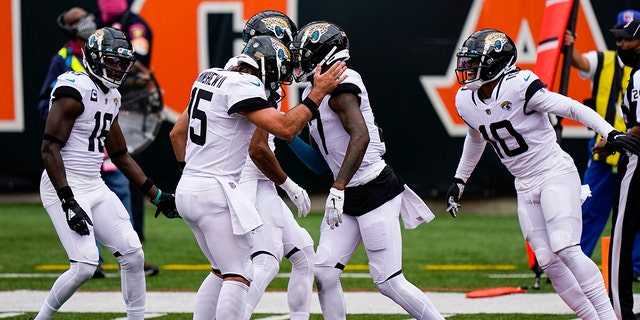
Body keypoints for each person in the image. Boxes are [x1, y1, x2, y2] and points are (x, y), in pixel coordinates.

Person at [447, 28, 640, 319]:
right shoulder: (466, 99)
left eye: (475, 63)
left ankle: (609, 316)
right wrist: (460, 179)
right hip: (523, 184)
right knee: (548, 260)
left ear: (496, 62)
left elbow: (571, 107)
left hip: (553, 172)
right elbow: (476, 138)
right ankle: (591, 316)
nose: (468, 69)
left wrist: (610, 133)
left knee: (566, 246)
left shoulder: (519, 85)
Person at [169, 35, 346, 319]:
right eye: (277, 74)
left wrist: (190, 181)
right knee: (240, 273)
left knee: (220, 271)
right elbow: (286, 128)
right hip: (216, 190)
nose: (278, 84)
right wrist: (316, 94)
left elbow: (176, 133)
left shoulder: (209, 75)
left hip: (188, 185)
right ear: (265, 67)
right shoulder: (244, 85)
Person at [290, 21, 443, 320]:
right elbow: (320, 162)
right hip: (347, 195)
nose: (301, 62)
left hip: (374, 189)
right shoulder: (314, 93)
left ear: (326, 55)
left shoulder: (342, 84)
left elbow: (361, 136)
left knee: (388, 281)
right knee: (323, 273)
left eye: (306, 55)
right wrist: (289, 136)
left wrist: (337, 187)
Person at [32, 27, 180, 320]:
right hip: (63, 184)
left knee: (133, 254)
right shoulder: (73, 90)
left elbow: (120, 154)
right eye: (112, 61)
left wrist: (157, 194)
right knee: (85, 265)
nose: (119, 68)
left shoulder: (111, 95)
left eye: (122, 62)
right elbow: (49, 149)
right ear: (94, 58)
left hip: (93, 184)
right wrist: (69, 201)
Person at [228, 11, 316, 320]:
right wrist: (289, 185)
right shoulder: (253, 81)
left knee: (304, 254)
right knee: (263, 261)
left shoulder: (240, 72)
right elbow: (258, 149)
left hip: (252, 177)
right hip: (246, 179)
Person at [564, 9, 640, 283]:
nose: (622, 42)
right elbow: (580, 63)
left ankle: (635, 267)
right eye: (620, 34)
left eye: (628, 36)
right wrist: (568, 45)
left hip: (632, 147)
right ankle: (576, 262)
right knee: (589, 208)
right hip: (604, 146)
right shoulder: (604, 60)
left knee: (633, 212)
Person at [95, 0, 159, 276]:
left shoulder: (136, 26)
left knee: (127, 173)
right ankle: (93, 256)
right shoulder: (92, 23)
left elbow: (140, 61)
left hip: (129, 103)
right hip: (97, 102)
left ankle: (134, 238)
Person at [606, 18, 640, 320]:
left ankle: (619, 313)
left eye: (626, 40)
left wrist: (611, 143)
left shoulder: (639, 76)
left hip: (638, 162)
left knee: (620, 244)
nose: (620, 45)